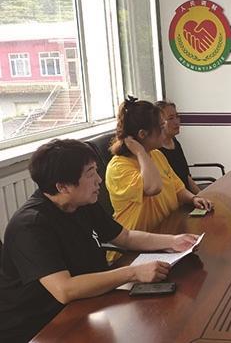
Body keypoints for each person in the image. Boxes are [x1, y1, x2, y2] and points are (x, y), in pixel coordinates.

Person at [0, 139, 202, 343]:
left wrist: (172, 241)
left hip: (85, 304)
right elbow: (64, 289)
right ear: (62, 187)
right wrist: (133, 272)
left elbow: (125, 237)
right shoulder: (30, 226)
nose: (99, 180)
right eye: (90, 174)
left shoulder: (82, 202)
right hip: (41, 326)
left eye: (96, 171)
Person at [106, 97, 211, 238]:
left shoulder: (156, 154)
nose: (164, 132)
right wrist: (140, 152)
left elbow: (177, 188)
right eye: (161, 128)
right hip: (139, 242)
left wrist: (193, 198)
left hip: (168, 230)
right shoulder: (118, 167)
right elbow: (153, 188)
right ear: (142, 134)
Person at [155, 100, 202, 195]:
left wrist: (200, 195)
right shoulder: (156, 151)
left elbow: (186, 176)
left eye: (177, 116)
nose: (176, 122)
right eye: (171, 118)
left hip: (188, 195)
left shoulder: (175, 142)